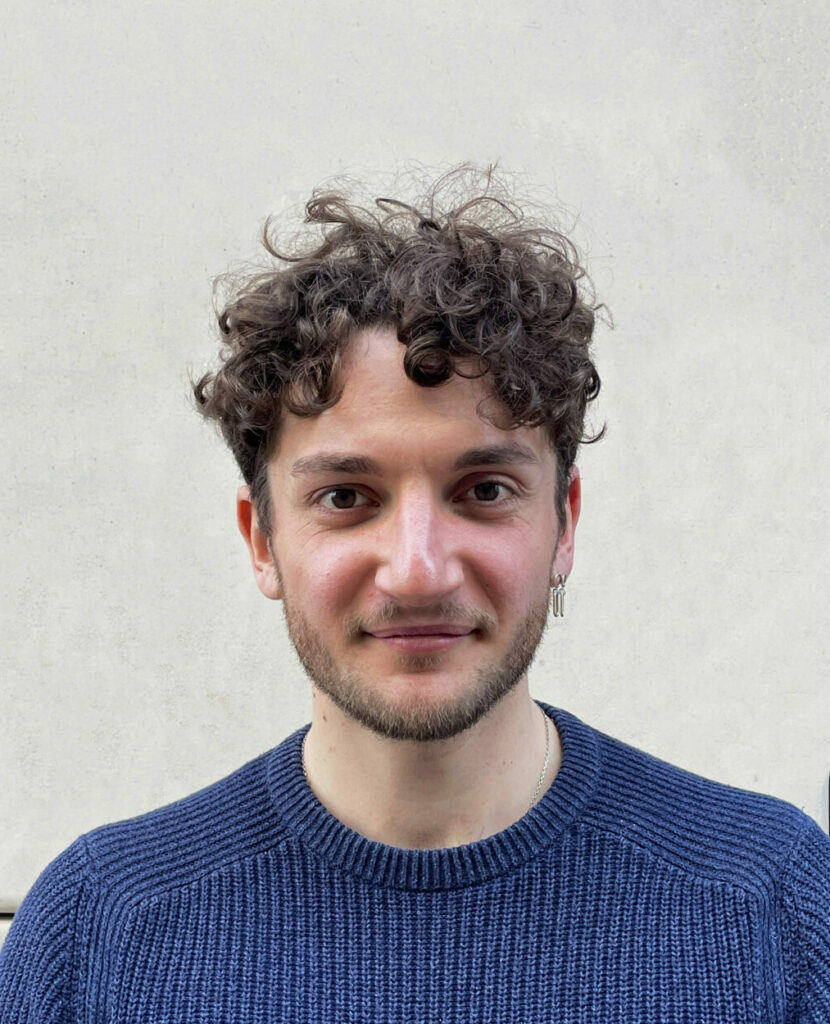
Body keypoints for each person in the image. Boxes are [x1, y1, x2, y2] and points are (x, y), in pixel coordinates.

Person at [1, 168, 828, 1023]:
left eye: (484, 491)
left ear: (564, 523)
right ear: (262, 540)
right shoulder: (98, 931)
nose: (419, 571)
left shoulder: (771, 904)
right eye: (346, 497)